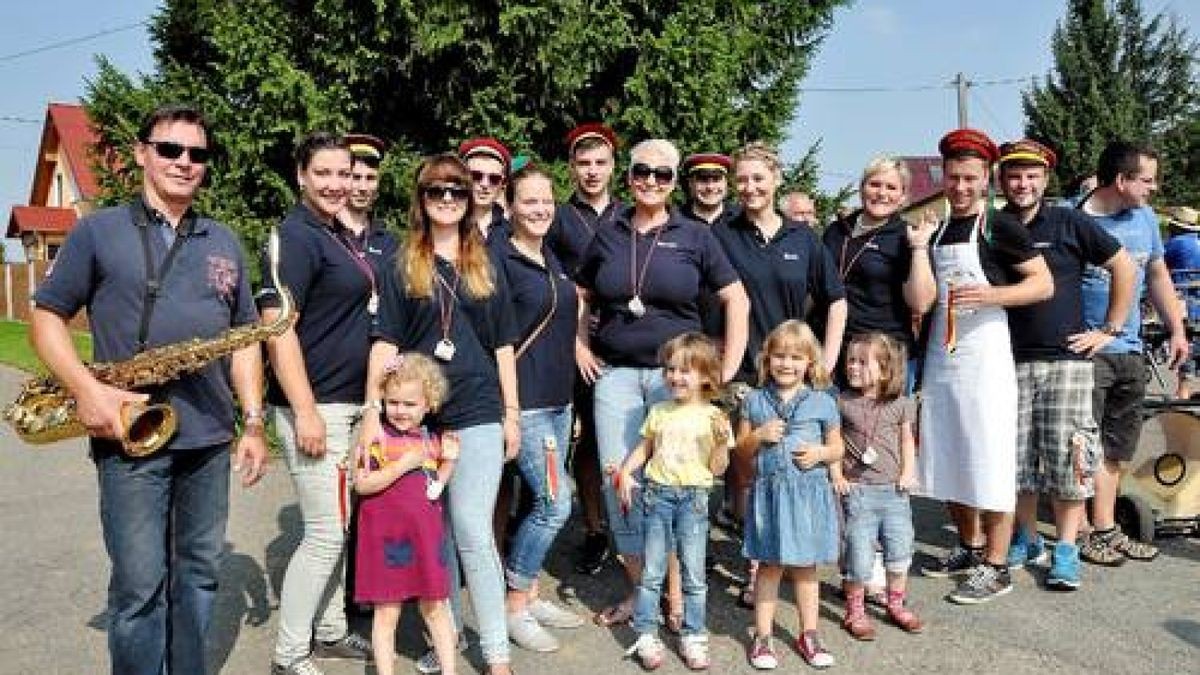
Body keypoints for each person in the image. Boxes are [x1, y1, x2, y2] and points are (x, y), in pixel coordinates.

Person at [29, 103, 268, 675]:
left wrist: (254, 422)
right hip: (129, 433)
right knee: (139, 587)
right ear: (142, 152)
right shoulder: (98, 230)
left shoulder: (223, 239)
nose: (184, 163)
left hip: (209, 439)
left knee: (199, 575)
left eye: (197, 154)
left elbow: (244, 339)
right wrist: (87, 390)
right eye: (170, 149)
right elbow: (45, 318)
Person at [575, 138, 749, 627]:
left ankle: (672, 592)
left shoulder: (695, 235)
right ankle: (640, 590)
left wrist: (726, 366)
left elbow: (736, 298)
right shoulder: (608, 232)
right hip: (616, 376)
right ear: (628, 175)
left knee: (674, 481)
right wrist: (579, 345)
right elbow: (580, 293)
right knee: (620, 479)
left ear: (674, 182)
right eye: (641, 171)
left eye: (662, 174)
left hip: (678, 382)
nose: (650, 181)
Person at [361, 153, 519, 675]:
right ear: (421, 199)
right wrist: (370, 415)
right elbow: (385, 343)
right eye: (436, 191)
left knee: (473, 531)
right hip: (418, 420)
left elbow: (502, 346)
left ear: (471, 197)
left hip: (476, 411)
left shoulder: (486, 260)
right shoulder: (402, 261)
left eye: (457, 189)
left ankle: (496, 653)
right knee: (436, 535)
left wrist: (512, 415)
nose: (448, 198)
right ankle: (443, 640)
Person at [265, 132, 394, 675]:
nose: (338, 184)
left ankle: (332, 630)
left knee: (339, 526)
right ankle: (289, 656)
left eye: (344, 174)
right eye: (324, 173)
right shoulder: (295, 236)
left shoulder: (338, 235)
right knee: (324, 533)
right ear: (301, 175)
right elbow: (277, 329)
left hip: (348, 405)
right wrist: (306, 409)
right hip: (314, 406)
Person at [915, 128, 1053, 606]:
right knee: (948, 448)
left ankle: (997, 565)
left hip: (987, 353)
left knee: (989, 456)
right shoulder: (935, 230)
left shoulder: (999, 227)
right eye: (954, 177)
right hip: (942, 352)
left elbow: (1042, 283)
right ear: (943, 175)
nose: (960, 187)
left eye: (970, 178)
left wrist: (994, 294)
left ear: (986, 178)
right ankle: (970, 547)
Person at [995, 139, 1136, 591]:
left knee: (1070, 457)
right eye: (1014, 175)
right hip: (1010, 359)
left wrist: (1110, 329)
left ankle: (1068, 549)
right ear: (1003, 180)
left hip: (1067, 360)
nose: (1023, 183)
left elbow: (1125, 267)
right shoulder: (993, 228)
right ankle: (1029, 537)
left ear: (1045, 179)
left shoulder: (1069, 221)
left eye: (1031, 175)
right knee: (1016, 458)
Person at [713, 143, 846, 608]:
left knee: (794, 469)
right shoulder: (723, 233)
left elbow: (836, 301)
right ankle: (758, 565)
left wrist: (823, 360)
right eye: (742, 180)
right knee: (749, 474)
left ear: (775, 179)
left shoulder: (803, 238)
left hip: (794, 373)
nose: (749, 188)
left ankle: (795, 558)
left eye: (758, 178)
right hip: (747, 373)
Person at [1078, 141, 1189, 566]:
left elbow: (1157, 274)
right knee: (1080, 448)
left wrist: (1177, 329)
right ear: (1121, 181)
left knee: (1116, 449)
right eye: (1147, 179)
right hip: (1086, 353)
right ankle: (1081, 531)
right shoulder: (1073, 218)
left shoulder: (1144, 218)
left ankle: (1106, 528)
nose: (1155, 188)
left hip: (1130, 350)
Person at [495, 165, 586, 652]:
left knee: (538, 500)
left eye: (546, 201)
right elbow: (496, 339)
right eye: (528, 201)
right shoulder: (498, 258)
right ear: (509, 207)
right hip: (525, 405)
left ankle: (529, 593)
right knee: (556, 502)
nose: (539, 209)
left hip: (558, 401)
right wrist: (509, 409)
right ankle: (513, 604)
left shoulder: (551, 256)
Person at [616, 333, 733, 671]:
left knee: (694, 574)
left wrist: (723, 445)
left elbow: (718, 468)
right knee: (653, 571)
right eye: (670, 369)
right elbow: (645, 448)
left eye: (686, 371)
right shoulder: (659, 411)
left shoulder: (716, 418)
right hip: (657, 495)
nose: (676, 377)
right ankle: (647, 634)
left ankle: (693, 636)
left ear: (707, 376)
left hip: (695, 499)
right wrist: (625, 471)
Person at [736, 320, 843, 670]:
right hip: (770, 497)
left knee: (806, 568)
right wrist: (759, 435)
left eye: (796, 357)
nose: (787, 363)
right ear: (767, 359)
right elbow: (740, 451)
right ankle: (762, 637)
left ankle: (809, 634)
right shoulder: (753, 400)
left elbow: (838, 447)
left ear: (810, 362)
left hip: (808, 497)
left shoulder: (823, 402)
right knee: (768, 567)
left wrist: (821, 455)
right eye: (780, 355)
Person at [353, 353, 459, 675]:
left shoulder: (432, 439)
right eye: (393, 402)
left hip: (424, 537)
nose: (400, 410)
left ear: (428, 405)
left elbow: (439, 477)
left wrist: (445, 469)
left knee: (436, 606)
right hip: (383, 538)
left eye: (410, 404)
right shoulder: (375, 437)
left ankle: (449, 670)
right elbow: (363, 484)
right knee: (386, 612)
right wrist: (401, 466)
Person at [549, 123, 623, 576]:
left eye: (600, 163)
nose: (592, 172)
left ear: (613, 166)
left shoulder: (631, 213)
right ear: (572, 167)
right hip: (569, 342)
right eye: (583, 163)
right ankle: (593, 529)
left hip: (620, 339)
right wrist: (577, 343)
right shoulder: (557, 216)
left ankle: (630, 528)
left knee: (614, 441)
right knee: (573, 444)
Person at [829, 333, 923, 640]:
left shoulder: (901, 404)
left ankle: (895, 602)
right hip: (857, 491)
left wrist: (908, 472)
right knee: (858, 552)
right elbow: (831, 441)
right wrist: (836, 474)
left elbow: (907, 441)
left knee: (900, 549)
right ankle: (855, 610)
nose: (853, 367)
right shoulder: (841, 401)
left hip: (894, 492)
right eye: (850, 361)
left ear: (885, 369)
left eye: (862, 362)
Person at [821, 157, 937, 389]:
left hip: (884, 356)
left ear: (903, 196)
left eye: (891, 187)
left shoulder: (906, 236)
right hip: (834, 350)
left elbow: (921, 304)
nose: (881, 193)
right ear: (862, 187)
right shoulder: (836, 230)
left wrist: (919, 247)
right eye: (874, 184)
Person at [1162, 205, 1200, 399]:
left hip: (1184, 298)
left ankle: (1183, 389)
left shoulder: (1175, 243)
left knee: (1185, 338)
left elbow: (1157, 267)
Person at [460, 137, 512, 246]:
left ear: (503, 184)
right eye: (476, 176)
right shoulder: (446, 228)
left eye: (494, 179)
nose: (485, 184)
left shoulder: (514, 233)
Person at [342, 133, 387, 237]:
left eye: (370, 178)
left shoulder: (390, 243)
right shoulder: (321, 234)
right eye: (356, 177)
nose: (363, 187)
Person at [681, 153, 738, 228]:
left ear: (726, 183)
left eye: (716, 179)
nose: (710, 187)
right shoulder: (675, 220)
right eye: (703, 180)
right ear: (690, 183)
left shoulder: (741, 219)